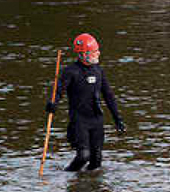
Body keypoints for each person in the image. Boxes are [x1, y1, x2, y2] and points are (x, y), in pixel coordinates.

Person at [46, 33, 125, 171]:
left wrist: (117, 118)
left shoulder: (99, 71)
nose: (98, 54)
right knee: (83, 156)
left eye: (97, 50)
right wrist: (53, 104)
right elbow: (58, 91)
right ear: (83, 54)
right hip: (79, 121)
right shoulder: (71, 71)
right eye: (94, 52)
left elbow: (108, 95)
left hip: (96, 120)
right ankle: (68, 176)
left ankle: (89, 186)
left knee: (96, 160)